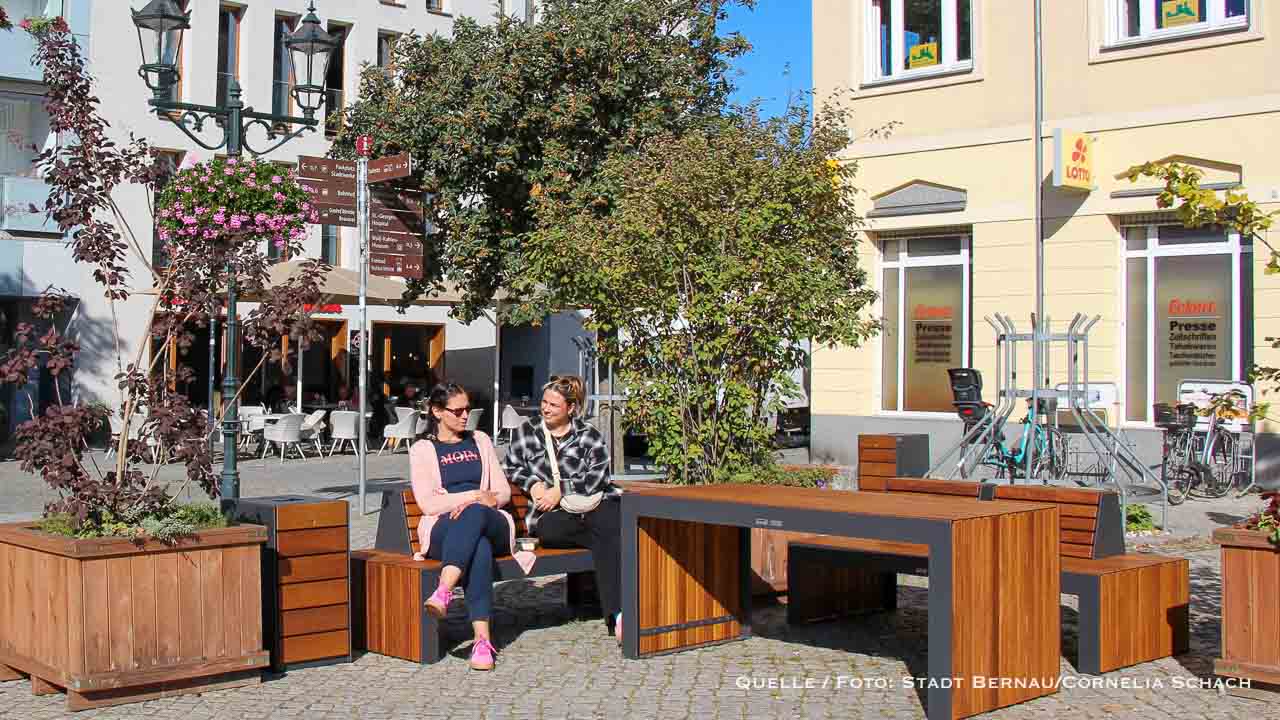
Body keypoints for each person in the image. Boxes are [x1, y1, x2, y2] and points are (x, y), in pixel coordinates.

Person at [409, 382, 523, 671]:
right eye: (457, 411)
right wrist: (472, 495)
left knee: (475, 516)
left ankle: (444, 589)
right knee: (478, 548)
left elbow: (503, 492)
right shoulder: (422, 449)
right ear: (436, 412)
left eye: (467, 410)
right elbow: (428, 505)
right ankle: (482, 641)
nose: (465, 416)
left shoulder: (481, 440)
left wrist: (478, 502)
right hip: (444, 527)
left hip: (491, 520)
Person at [502, 374, 623, 643]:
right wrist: (533, 485)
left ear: (571, 408)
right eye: (544, 402)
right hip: (551, 517)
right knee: (605, 535)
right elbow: (511, 467)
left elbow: (598, 477)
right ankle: (619, 613)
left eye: (553, 405)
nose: (545, 408)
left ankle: (617, 615)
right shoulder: (527, 432)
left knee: (607, 524)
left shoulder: (588, 435)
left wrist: (562, 489)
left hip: (593, 507)